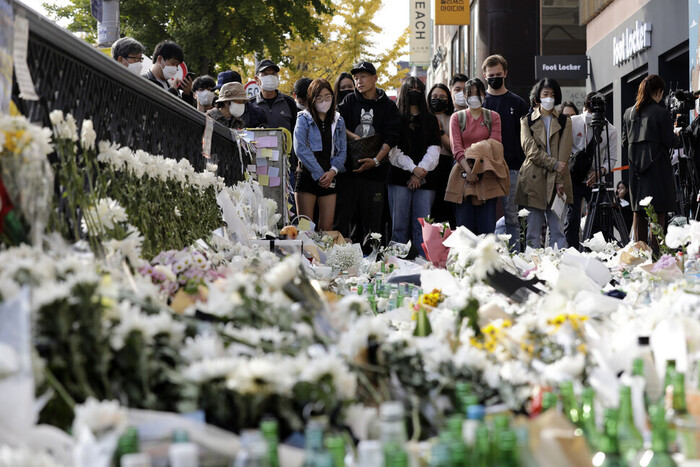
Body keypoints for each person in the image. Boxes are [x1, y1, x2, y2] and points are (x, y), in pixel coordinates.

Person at [336, 60, 401, 248]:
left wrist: (375, 160)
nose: (359, 81)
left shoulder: (388, 106)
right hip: (350, 173)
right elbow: (338, 122)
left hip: (376, 174)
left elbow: (392, 137)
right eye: (356, 78)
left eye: (363, 77)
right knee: (349, 224)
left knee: (374, 227)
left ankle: (374, 266)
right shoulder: (349, 101)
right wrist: (355, 137)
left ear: (375, 78)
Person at [515, 77, 573, 249]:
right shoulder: (527, 120)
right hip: (534, 179)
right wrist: (553, 164)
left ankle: (558, 270)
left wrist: (559, 179)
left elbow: (565, 152)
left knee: (558, 232)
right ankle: (533, 271)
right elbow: (530, 150)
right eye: (545, 94)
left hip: (558, 181)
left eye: (552, 95)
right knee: (532, 232)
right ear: (538, 96)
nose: (549, 98)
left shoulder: (564, 121)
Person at [386, 77, 441, 255]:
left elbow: (434, 149)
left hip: (427, 179)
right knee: (399, 227)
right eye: (411, 89)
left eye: (419, 89)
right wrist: (413, 169)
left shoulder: (431, 119)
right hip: (398, 177)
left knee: (422, 227)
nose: (415, 92)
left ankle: (422, 263)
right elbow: (392, 150)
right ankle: (397, 263)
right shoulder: (395, 117)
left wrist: (419, 172)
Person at [621, 74, 676, 245]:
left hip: (636, 171)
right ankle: (657, 257)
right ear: (659, 92)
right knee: (658, 212)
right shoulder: (661, 113)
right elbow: (669, 141)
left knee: (639, 212)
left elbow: (624, 142)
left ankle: (640, 255)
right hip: (658, 169)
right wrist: (678, 135)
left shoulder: (629, 113)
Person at [482, 54, 530, 252]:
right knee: (486, 218)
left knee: (512, 217)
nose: (495, 77)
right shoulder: (481, 103)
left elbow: (527, 138)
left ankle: (515, 257)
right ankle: (489, 259)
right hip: (486, 170)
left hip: (512, 168)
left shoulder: (518, 103)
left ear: (505, 74)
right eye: (491, 75)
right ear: (484, 75)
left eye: (498, 74)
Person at [447, 78, 504, 234]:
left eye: (478, 93)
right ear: (464, 96)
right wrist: (469, 170)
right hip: (463, 172)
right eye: (469, 94)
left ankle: (486, 258)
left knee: (487, 228)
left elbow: (494, 144)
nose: (474, 97)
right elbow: (456, 147)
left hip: (487, 172)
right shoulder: (457, 117)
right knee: (464, 228)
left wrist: (476, 165)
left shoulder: (493, 117)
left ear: (484, 95)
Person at [564, 92, 618, 250]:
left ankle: (594, 255)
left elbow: (612, 159)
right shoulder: (573, 122)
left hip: (595, 180)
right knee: (572, 220)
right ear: (584, 107)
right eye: (588, 110)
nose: (590, 116)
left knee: (597, 223)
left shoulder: (610, 130)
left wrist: (601, 171)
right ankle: (571, 253)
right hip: (573, 178)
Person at [293, 79, 347, 231]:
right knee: (306, 228)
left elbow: (342, 151)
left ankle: (324, 256)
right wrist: (319, 173)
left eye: (328, 97)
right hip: (307, 175)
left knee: (326, 228)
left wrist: (332, 172)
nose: (324, 101)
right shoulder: (303, 118)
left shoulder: (339, 120)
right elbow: (300, 148)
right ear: (312, 99)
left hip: (330, 177)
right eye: (319, 98)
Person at [427, 83, 456, 226]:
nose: (437, 99)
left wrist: (441, 131)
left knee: (444, 208)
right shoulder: (425, 116)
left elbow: (453, 148)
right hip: (426, 167)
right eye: (434, 96)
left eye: (442, 97)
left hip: (446, 166)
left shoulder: (453, 118)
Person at [250, 60, 297, 132]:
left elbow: (295, 131)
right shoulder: (250, 104)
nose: (270, 77)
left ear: (277, 77)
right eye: (265, 74)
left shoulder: (289, 102)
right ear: (256, 79)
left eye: (273, 74)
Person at [142, 40, 194, 105]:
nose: (175, 68)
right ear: (160, 59)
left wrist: (187, 94)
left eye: (177, 65)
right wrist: (172, 92)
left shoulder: (172, 87)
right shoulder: (143, 81)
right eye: (173, 63)